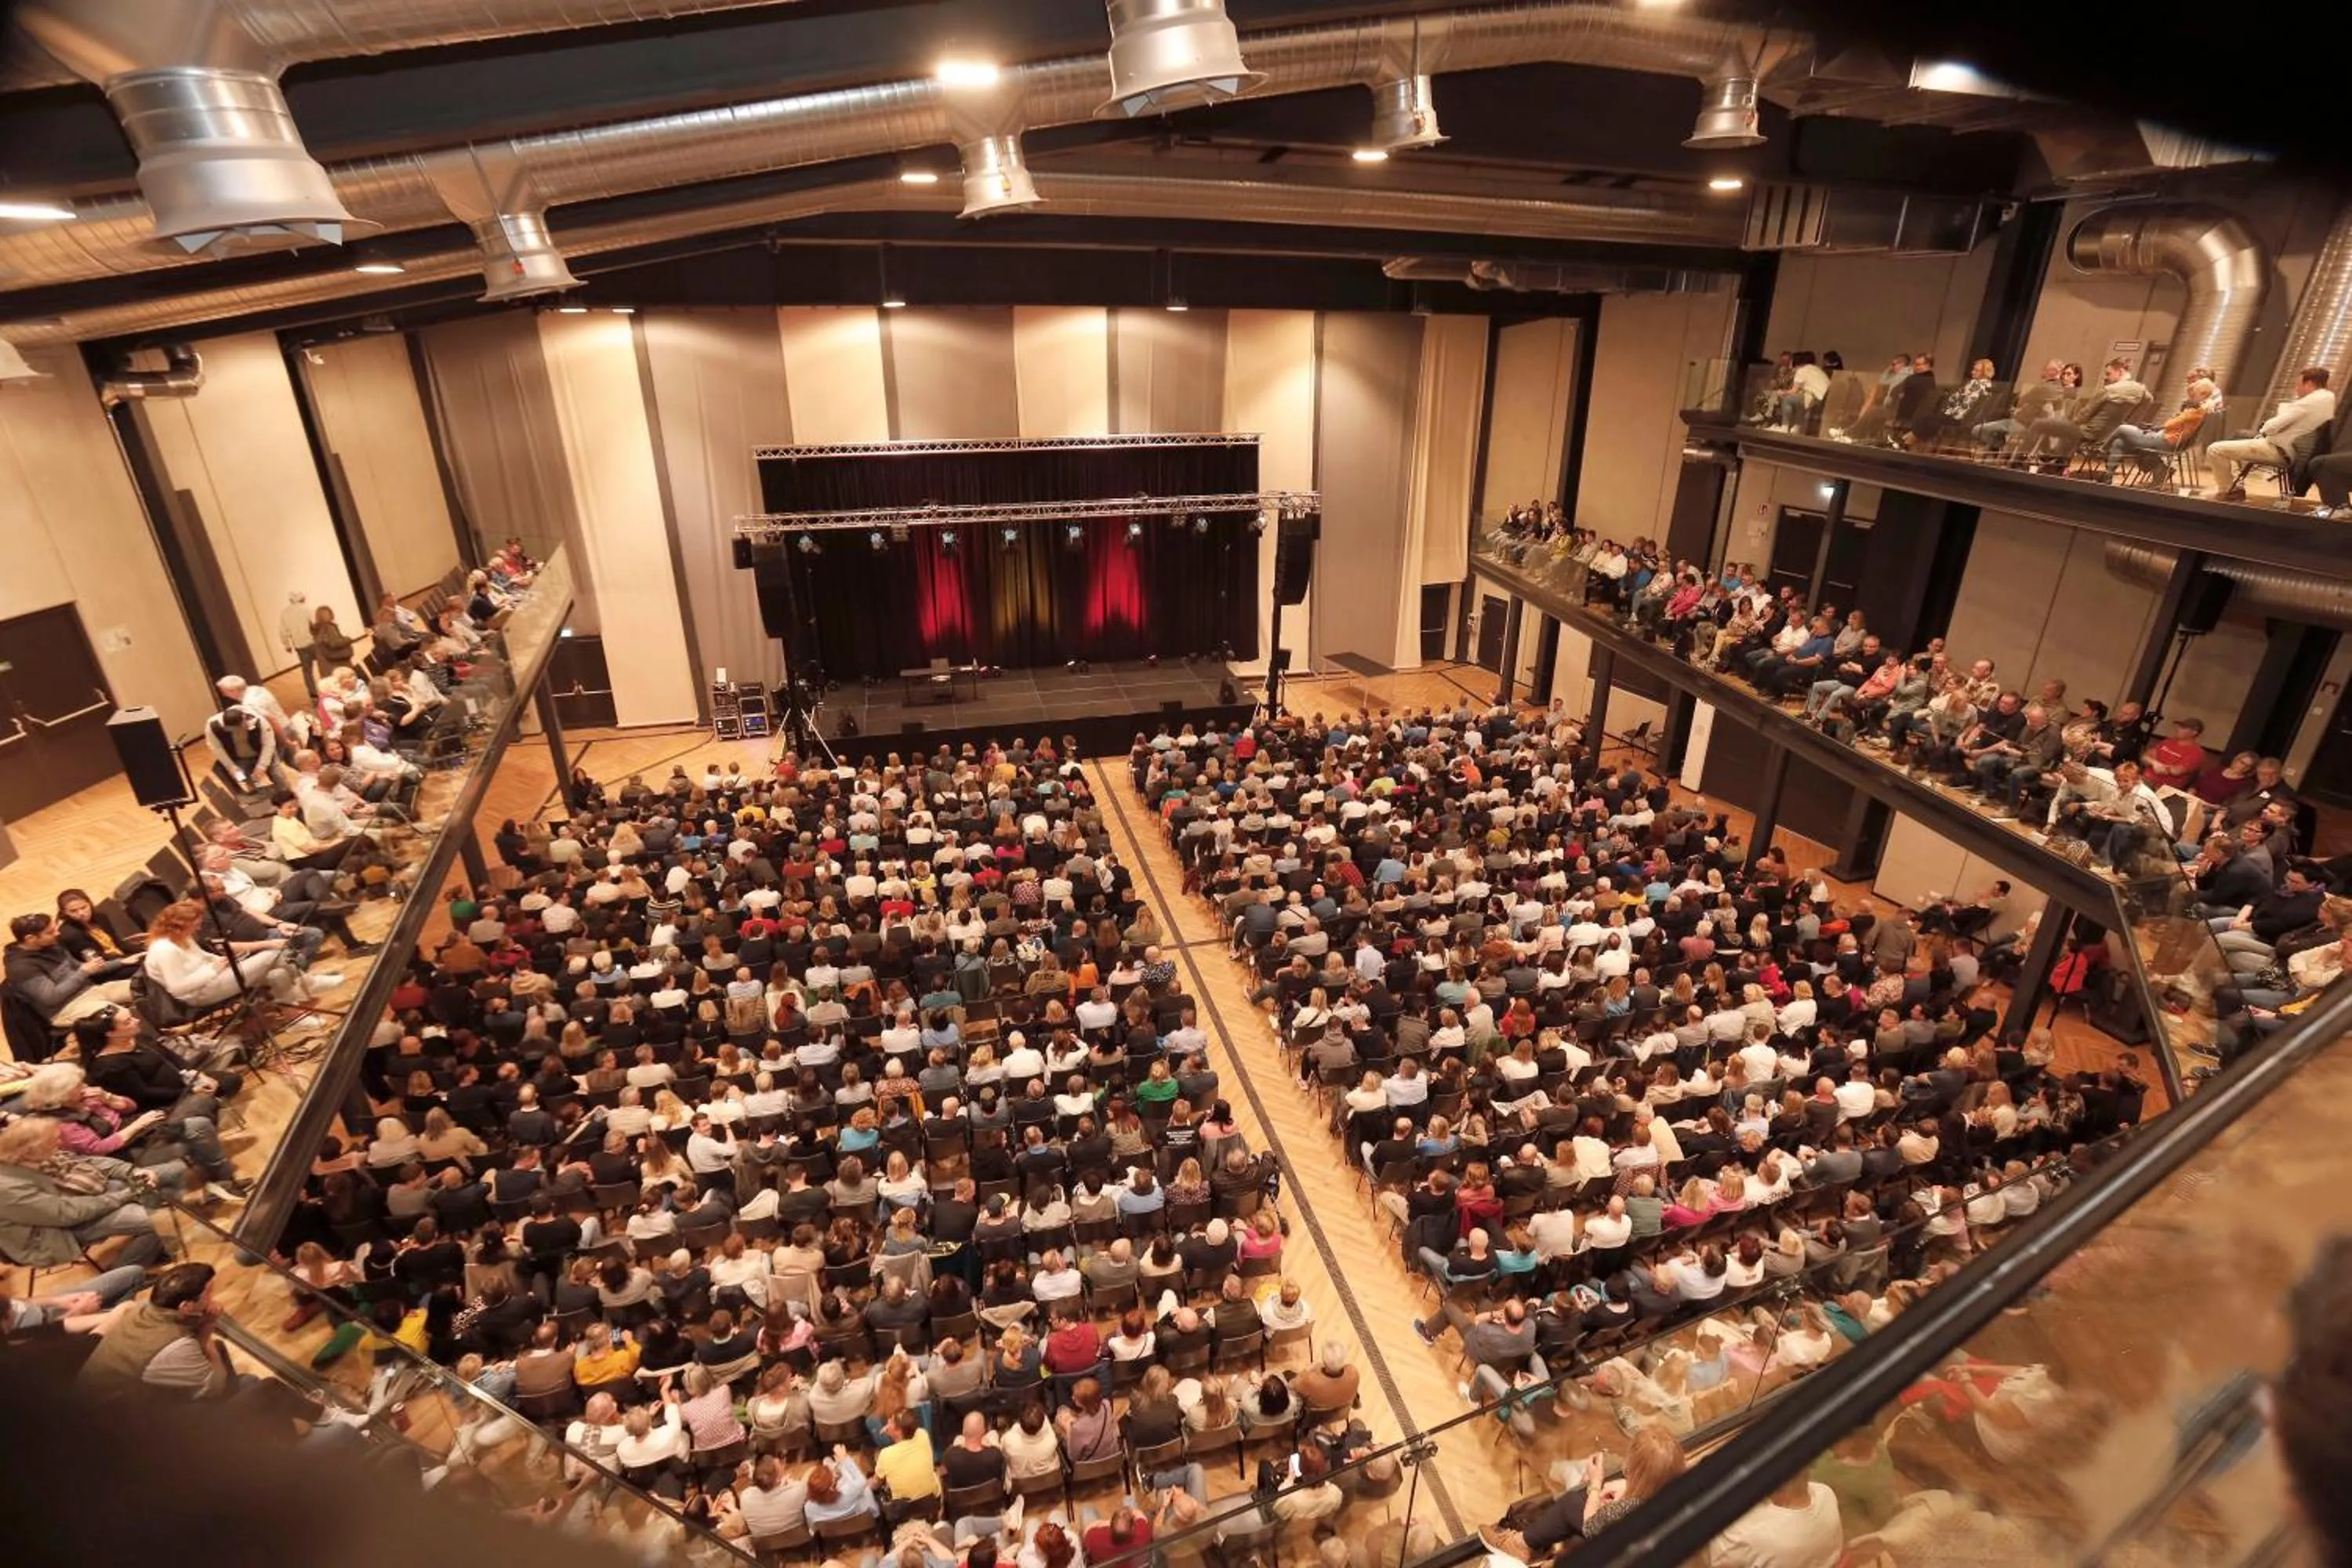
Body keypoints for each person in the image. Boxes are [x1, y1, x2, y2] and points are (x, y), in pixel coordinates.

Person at [0, 1116, 170, 1270]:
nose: (60, 1143)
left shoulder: (34, 1154)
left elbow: (88, 1161)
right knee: (158, 1219)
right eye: (53, 1141)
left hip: (84, 1199)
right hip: (56, 1233)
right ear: (31, 1151)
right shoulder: (8, 1187)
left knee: (164, 1179)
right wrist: (125, 1196)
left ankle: (148, 1248)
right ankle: (124, 1271)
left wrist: (131, 1171)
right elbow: (66, 1213)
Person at [78, 1262, 241, 1399]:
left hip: (108, 1396)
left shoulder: (143, 1309)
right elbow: (216, 1386)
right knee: (244, 1381)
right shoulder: (174, 1347)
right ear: (186, 1306)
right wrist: (209, 1323)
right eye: (208, 1293)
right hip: (119, 1418)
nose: (212, 1298)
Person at [2212, 367, 2336, 499]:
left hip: (2280, 450)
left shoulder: (2308, 402)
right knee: (2236, 442)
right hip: (2293, 451)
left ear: (2309, 384)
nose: (2296, 389)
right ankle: (2236, 485)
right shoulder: (2329, 398)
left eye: (2298, 385)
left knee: (2215, 449)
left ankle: (2229, 490)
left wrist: (2270, 424)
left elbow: (2269, 427)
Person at [6, 911, 137, 1028]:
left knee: (146, 984)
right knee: (120, 1016)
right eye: (50, 932)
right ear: (30, 939)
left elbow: (84, 968)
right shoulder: (21, 968)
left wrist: (122, 962)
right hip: (67, 1008)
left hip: (91, 991)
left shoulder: (52, 946)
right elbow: (51, 997)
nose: (58, 934)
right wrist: (83, 972)